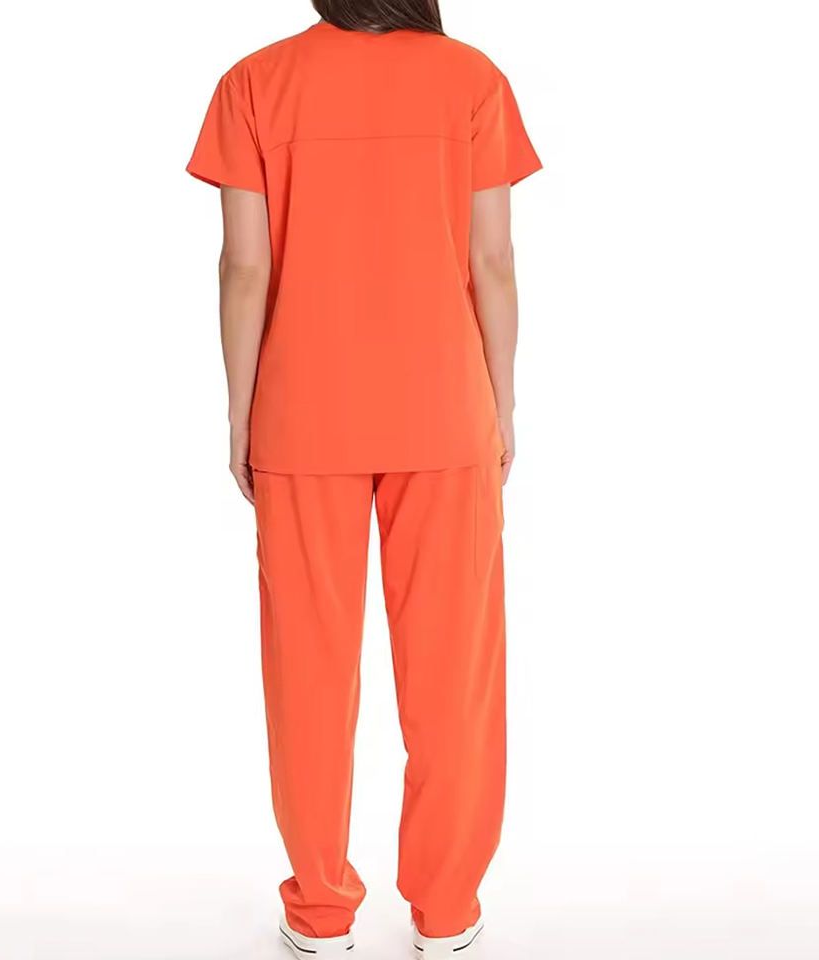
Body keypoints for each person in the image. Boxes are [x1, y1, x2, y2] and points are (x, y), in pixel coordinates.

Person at [187, 1, 541, 955]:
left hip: (302, 414)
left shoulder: (255, 83)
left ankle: (320, 911)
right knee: (454, 675)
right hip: (445, 410)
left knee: (306, 672)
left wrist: (240, 412)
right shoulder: (472, 80)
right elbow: (494, 262)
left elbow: (243, 267)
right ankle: (447, 909)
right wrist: (502, 403)